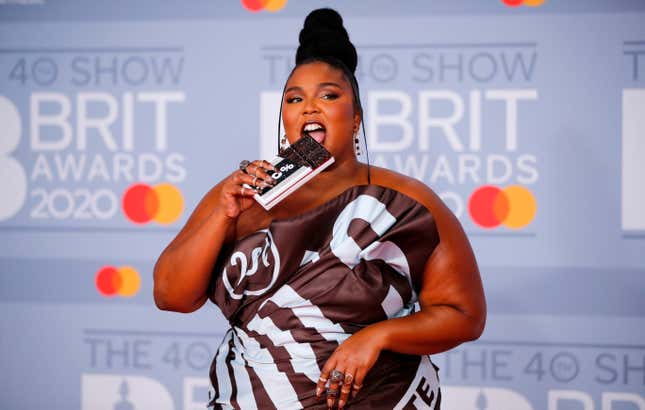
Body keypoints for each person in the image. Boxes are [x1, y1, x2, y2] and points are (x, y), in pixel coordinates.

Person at [153, 8, 486, 410]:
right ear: (285, 117)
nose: (309, 107)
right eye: (295, 99)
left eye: (328, 95)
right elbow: (171, 295)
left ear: (356, 118)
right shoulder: (241, 190)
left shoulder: (407, 200)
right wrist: (223, 214)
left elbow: (463, 314)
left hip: (382, 398)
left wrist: (376, 337)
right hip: (250, 396)